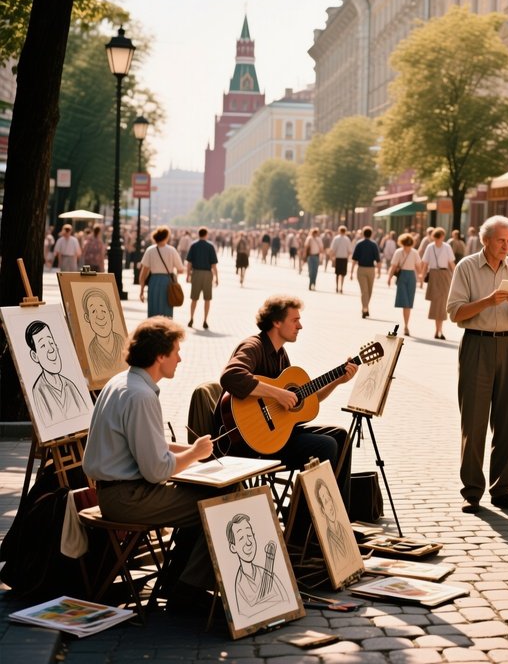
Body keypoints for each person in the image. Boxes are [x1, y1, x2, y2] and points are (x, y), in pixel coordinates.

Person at [82, 318, 218, 610]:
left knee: (208, 495)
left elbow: (147, 443)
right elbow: (156, 470)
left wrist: (194, 451)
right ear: (160, 356)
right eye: (176, 351)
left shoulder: (121, 382)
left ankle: (176, 579)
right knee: (220, 501)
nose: (180, 358)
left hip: (117, 491)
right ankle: (188, 589)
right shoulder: (141, 396)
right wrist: (193, 455)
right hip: (127, 497)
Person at [215, 295, 357, 509]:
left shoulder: (281, 355)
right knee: (325, 445)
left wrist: (337, 381)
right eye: (295, 320)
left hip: (276, 435)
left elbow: (304, 401)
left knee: (340, 436)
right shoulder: (253, 346)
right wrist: (276, 394)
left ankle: (340, 516)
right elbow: (231, 375)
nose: (300, 326)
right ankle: (306, 524)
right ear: (277, 322)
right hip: (250, 442)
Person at [446, 215, 508, 514]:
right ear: (486, 240)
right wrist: (489, 301)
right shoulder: (466, 267)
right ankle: (472, 491)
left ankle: (503, 488)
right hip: (476, 344)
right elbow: (455, 313)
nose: (506, 246)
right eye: (501, 240)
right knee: (474, 420)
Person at [25, 320, 91, 428]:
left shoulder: (70, 385)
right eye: (43, 346)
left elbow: (85, 416)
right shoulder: (39, 391)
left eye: (51, 343)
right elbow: (48, 426)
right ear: (34, 356)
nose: (51, 349)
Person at [226, 513, 288, 616]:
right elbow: (244, 615)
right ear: (233, 547)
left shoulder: (266, 572)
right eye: (241, 538)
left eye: (250, 535)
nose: (249, 542)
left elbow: (287, 600)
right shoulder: (239, 584)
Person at [139, 226, 184, 318]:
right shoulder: (172, 250)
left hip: (154, 281)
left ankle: (153, 329)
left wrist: (141, 291)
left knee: (154, 309)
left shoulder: (150, 250)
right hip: (167, 282)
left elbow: (143, 274)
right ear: (167, 237)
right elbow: (180, 269)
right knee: (166, 309)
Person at [81, 288, 125, 379]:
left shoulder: (122, 342)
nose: (100, 316)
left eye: (103, 310)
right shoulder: (91, 350)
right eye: (93, 311)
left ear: (111, 315)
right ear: (87, 318)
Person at [420, 227, 455, 340]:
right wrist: (456, 275)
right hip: (442, 275)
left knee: (440, 302)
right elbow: (451, 263)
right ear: (442, 236)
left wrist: (422, 274)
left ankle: (438, 330)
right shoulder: (445, 247)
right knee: (439, 302)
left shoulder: (431, 247)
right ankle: (438, 330)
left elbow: (424, 263)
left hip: (437, 275)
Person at [387, 232, 422, 337]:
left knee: (407, 303)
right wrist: (420, 278)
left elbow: (393, 266)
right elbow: (418, 267)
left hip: (403, 276)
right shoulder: (414, 252)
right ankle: (406, 325)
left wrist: (389, 278)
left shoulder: (399, 252)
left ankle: (406, 325)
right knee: (407, 303)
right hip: (410, 276)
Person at [186, 227, 219, 330]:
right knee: (207, 299)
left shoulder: (193, 245)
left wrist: (188, 275)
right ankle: (205, 320)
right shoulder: (210, 246)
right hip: (207, 274)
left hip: (196, 273)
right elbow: (214, 265)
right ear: (206, 235)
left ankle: (191, 318)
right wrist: (217, 277)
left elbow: (189, 263)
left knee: (194, 298)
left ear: (198, 234)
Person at [350, 226, 381, 318]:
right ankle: (365, 308)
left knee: (365, 291)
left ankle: (365, 307)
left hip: (361, 269)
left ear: (363, 234)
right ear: (371, 234)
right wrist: (379, 271)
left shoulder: (359, 244)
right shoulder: (374, 244)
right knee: (368, 290)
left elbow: (354, 259)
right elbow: (378, 260)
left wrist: (351, 272)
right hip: (371, 270)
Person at [329, 226, 352, 294]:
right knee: (343, 274)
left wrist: (332, 256)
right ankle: (341, 287)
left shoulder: (336, 238)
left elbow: (332, 249)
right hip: (344, 258)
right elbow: (350, 250)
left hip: (338, 258)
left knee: (337, 273)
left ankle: (337, 287)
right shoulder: (347, 239)